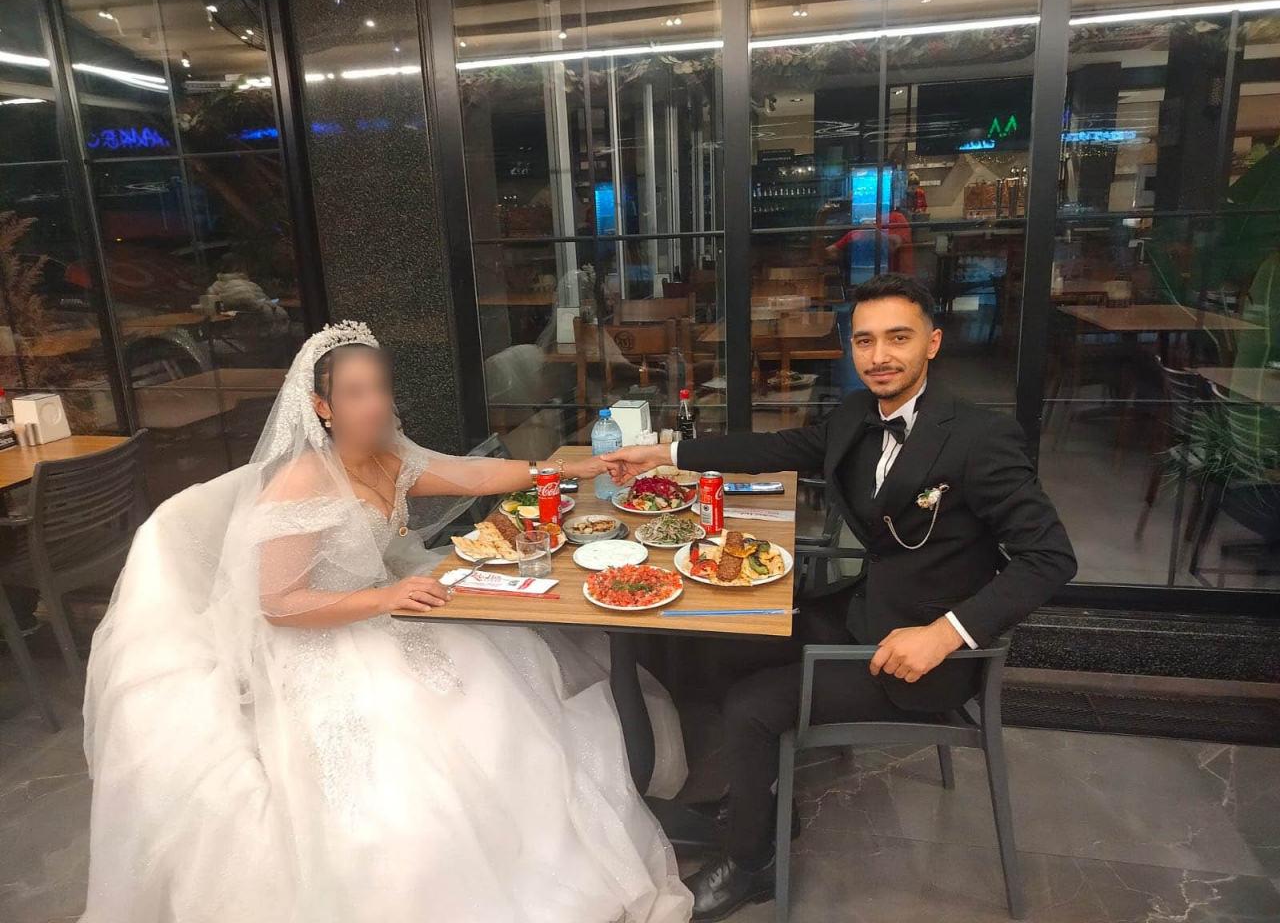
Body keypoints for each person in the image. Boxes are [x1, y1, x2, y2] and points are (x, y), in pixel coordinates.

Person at [80, 321, 693, 923]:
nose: (374, 404)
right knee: (418, 741)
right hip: (321, 637)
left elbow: (474, 474)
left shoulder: (387, 456)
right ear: (322, 407)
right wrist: (384, 598)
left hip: (382, 607)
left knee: (499, 674)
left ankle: (529, 846)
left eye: (379, 388)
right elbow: (280, 604)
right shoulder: (301, 483)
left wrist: (571, 470)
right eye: (354, 393)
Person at [603, 275, 1076, 920]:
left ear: (933, 343)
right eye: (865, 341)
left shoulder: (979, 438)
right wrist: (666, 452)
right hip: (864, 611)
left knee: (750, 707)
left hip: (920, 656)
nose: (879, 356)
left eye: (898, 338)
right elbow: (774, 447)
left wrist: (944, 634)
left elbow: (1051, 558)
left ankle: (751, 863)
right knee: (715, 649)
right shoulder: (857, 414)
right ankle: (759, 797)